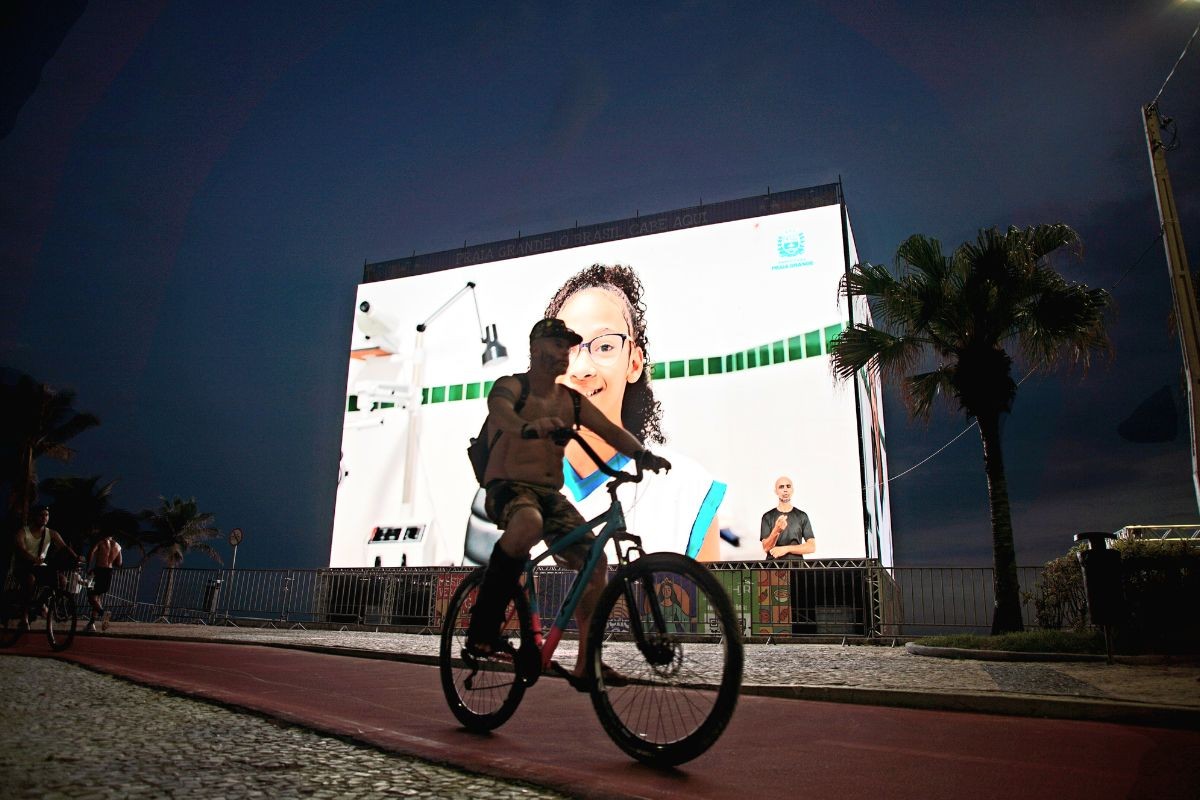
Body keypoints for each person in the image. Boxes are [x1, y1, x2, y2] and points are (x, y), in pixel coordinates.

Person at [467, 318, 670, 690]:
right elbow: (500, 411)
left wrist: (642, 455)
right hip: (508, 488)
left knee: (596, 561)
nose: (566, 352)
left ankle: (586, 662)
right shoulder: (514, 386)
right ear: (536, 347)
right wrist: (528, 427)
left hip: (548, 495)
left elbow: (609, 430)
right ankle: (482, 629)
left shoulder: (570, 401)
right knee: (527, 522)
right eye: (558, 344)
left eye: (568, 345)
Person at [544, 263, 724, 561]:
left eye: (604, 347)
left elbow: (705, 607)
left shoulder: (687, 491)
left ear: (634, 364)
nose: (582, 369)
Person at [11, 506, 77, 625]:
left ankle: (41, 603)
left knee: (62, 580)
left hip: (40, 566)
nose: (44, 518)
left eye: (46, 515)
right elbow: (21, 549)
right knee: (30, 580)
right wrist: (33, 558)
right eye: (41, 515)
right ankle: (24, 615)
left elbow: (64, 547)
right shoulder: (23, 532)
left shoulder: (51, 533)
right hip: (24, 566)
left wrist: (76, 558)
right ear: (34, 517)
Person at [760, 476, 816, 559]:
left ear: (792, 490)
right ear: (776, 491)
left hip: (796, 568)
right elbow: (766, 548)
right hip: (773, 568)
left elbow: (811, 547)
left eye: (788, 486)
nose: (785, 490)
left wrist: (786, 549)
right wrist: (776, 530)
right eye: (781, 487)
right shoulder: (767, 517)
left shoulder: (802, 516)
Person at [85, 534, 122, 632]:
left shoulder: (100, 541)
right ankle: (91, 624)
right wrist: (110, 559)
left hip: (99, 571)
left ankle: (103, 614)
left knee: (91, 596)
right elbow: (119, 563)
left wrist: (88, 567)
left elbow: (91, 553)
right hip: (108, 572)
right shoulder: (118, 546)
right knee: (97, 598)